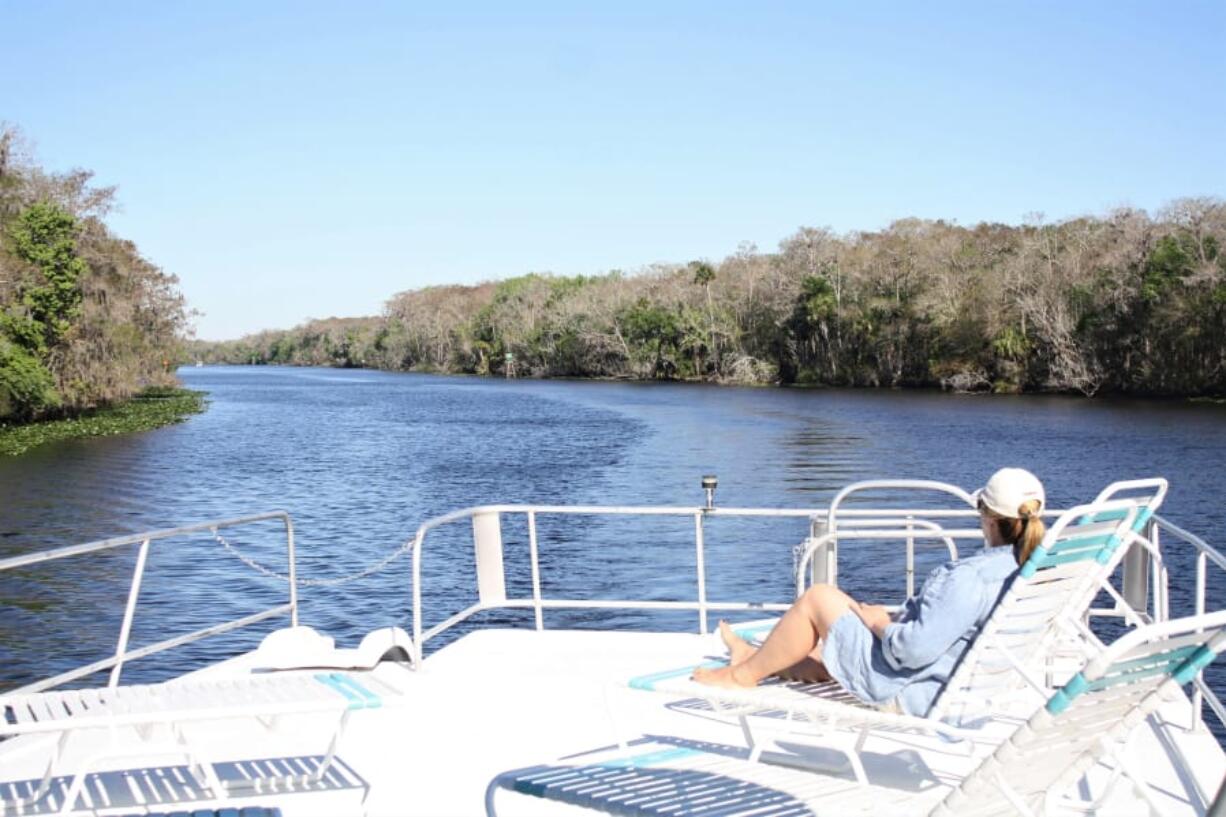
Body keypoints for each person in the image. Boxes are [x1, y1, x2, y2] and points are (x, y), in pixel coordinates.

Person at [693, 467, 1046, 717]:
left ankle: (742, 676)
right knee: (838, 619)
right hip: (964, 682)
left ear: (986, 517)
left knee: (819, 598)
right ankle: (753, 656)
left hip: (913, 690)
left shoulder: (971, 579)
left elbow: (912, 650)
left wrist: (880, 625)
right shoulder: (1029, 569)